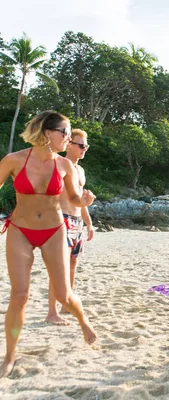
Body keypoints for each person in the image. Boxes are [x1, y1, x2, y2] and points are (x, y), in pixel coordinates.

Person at [0, 111, 98, 377]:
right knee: (19, 295)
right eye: (64, 133)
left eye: (68, 134)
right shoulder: (13, 160)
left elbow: (75, 200)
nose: (68, 138)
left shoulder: (65, 166)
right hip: (20, 230)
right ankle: (10, 355)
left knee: (64, 295)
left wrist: (85, 201)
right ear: (47, 133)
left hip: (54, 231)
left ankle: (83, 319)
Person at [46, 129, 95, 325]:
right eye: (81, 145)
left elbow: (80, 200)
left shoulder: (80, 171)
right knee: (59, 267)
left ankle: (66, 304)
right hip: (60, 219)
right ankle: (51, 312)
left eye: (86, 146)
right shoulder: (57, 164)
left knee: (72, 264)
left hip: (77, 221)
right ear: (69, 144)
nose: (84, 149)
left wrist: (89, 223)